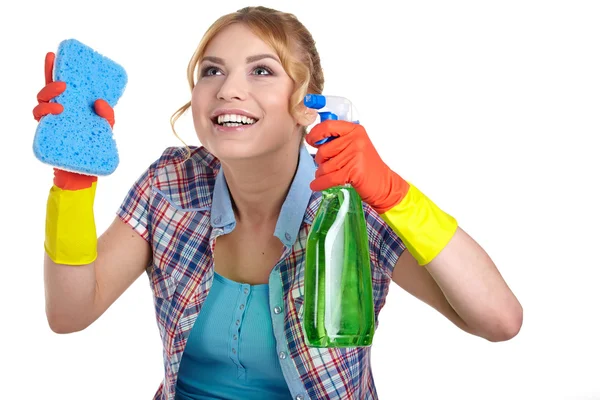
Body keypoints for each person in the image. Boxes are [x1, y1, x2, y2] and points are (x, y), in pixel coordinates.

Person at [33, 6, 523, 400]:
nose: (228, 90)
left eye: (261, 71)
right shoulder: (172, 183)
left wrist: (393, 193)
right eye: (212, 71)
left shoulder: (351, 206)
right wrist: (74, 189)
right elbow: (70, 314)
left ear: (305, 101)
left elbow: (500, 321)